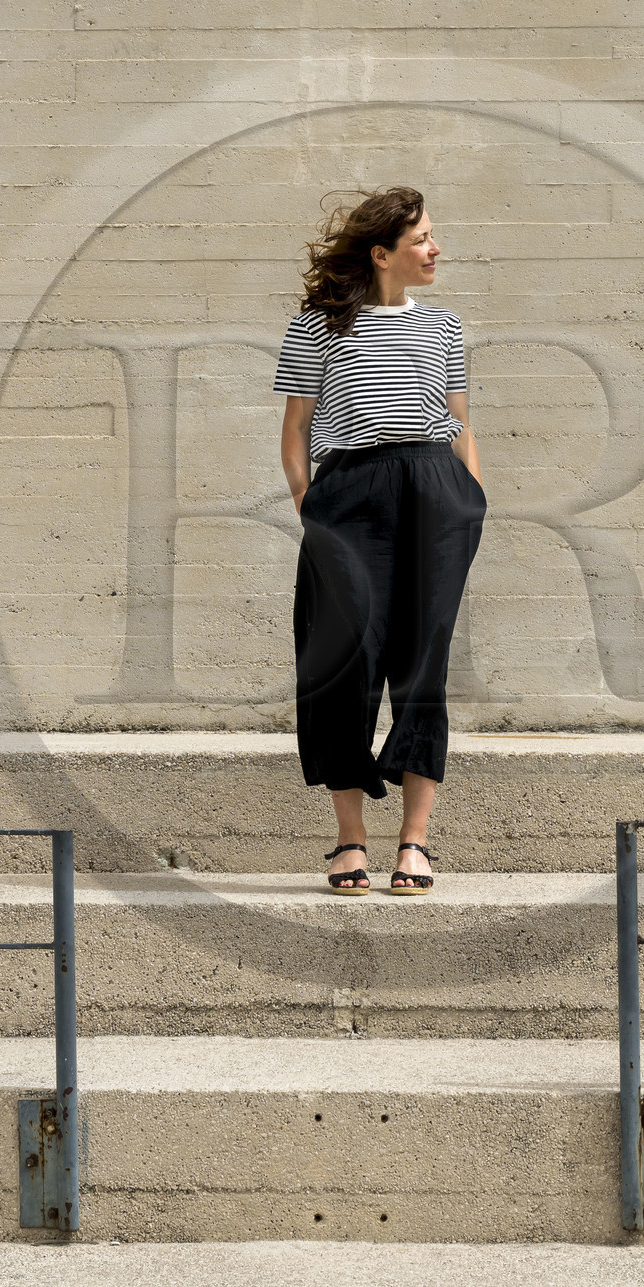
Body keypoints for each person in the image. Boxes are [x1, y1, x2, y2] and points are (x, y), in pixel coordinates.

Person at [275, 187, 486, 896]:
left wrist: (470, 503)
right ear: (382, 253)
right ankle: (349, 840)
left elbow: (460, 424)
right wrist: (316, 512)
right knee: (342, 663)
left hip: (434, 493)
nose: (435, 248)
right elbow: (297, 431)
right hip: (350, 494)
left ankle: (415, 843)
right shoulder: (317, 328)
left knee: (424, 665)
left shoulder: (445, 327)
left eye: (433, 235)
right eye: (423, 237)